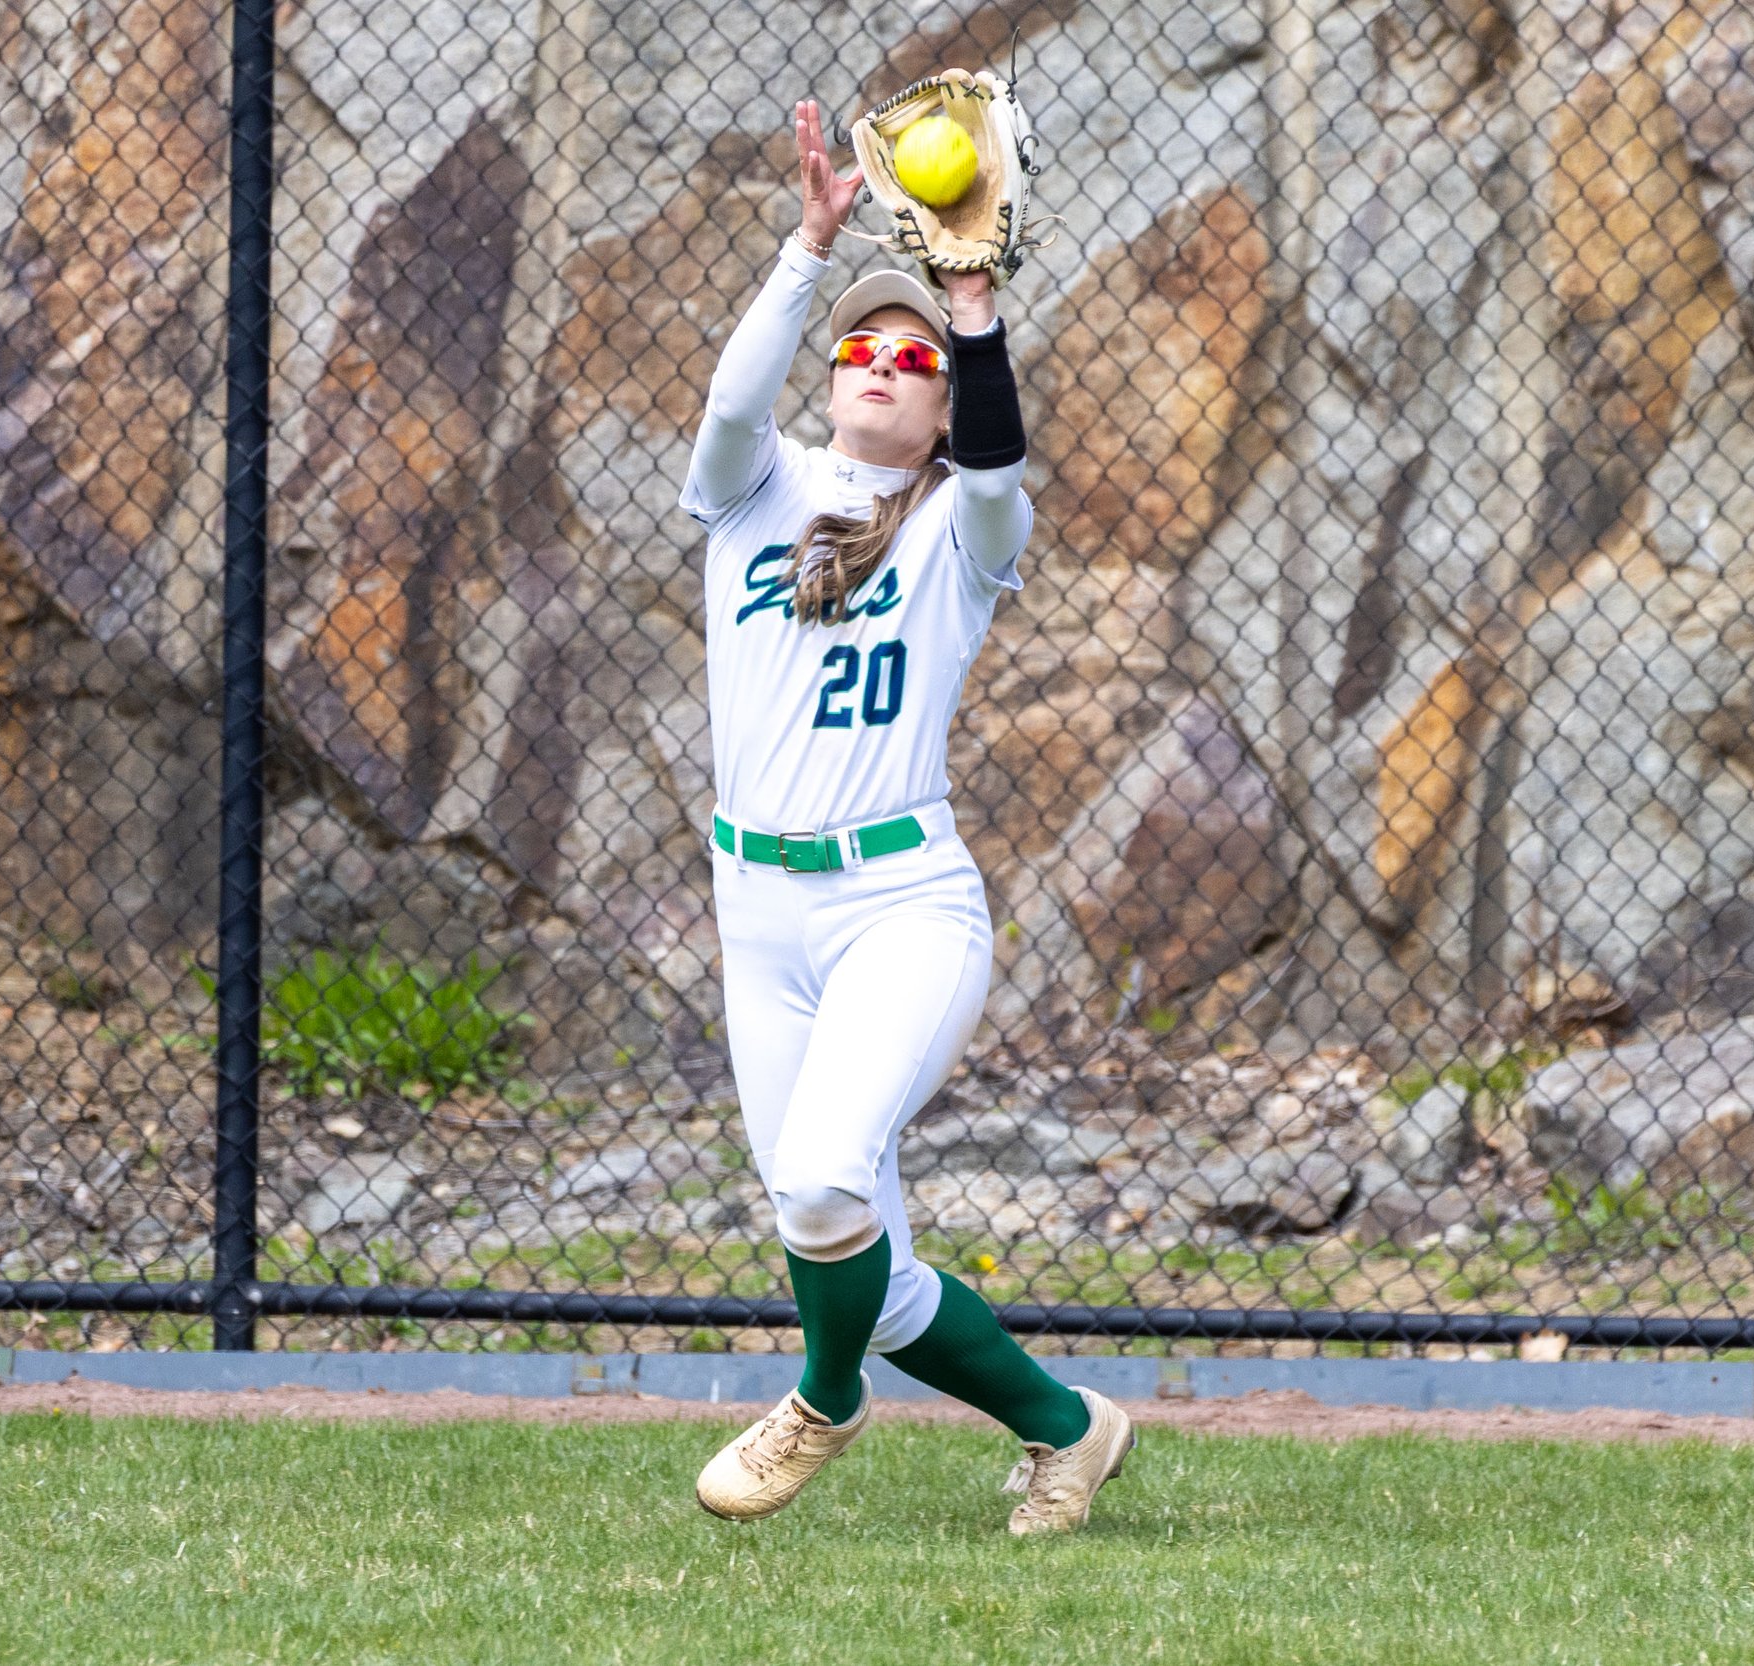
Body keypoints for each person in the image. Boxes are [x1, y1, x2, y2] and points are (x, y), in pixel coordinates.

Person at [678, 98, 1135, 1535]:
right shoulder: (761, 494)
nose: (883, 365)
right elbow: (732, 403)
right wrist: (811, 251)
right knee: (848, 1250)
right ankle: (1072, 1428)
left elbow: (999, 471)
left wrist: (974, 308)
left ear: (939, 404)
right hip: (758, 915)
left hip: (898, 908)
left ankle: (821, 1404)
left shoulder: (956, 532)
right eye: (860, 352)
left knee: (819, 1181)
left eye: (912, 359)